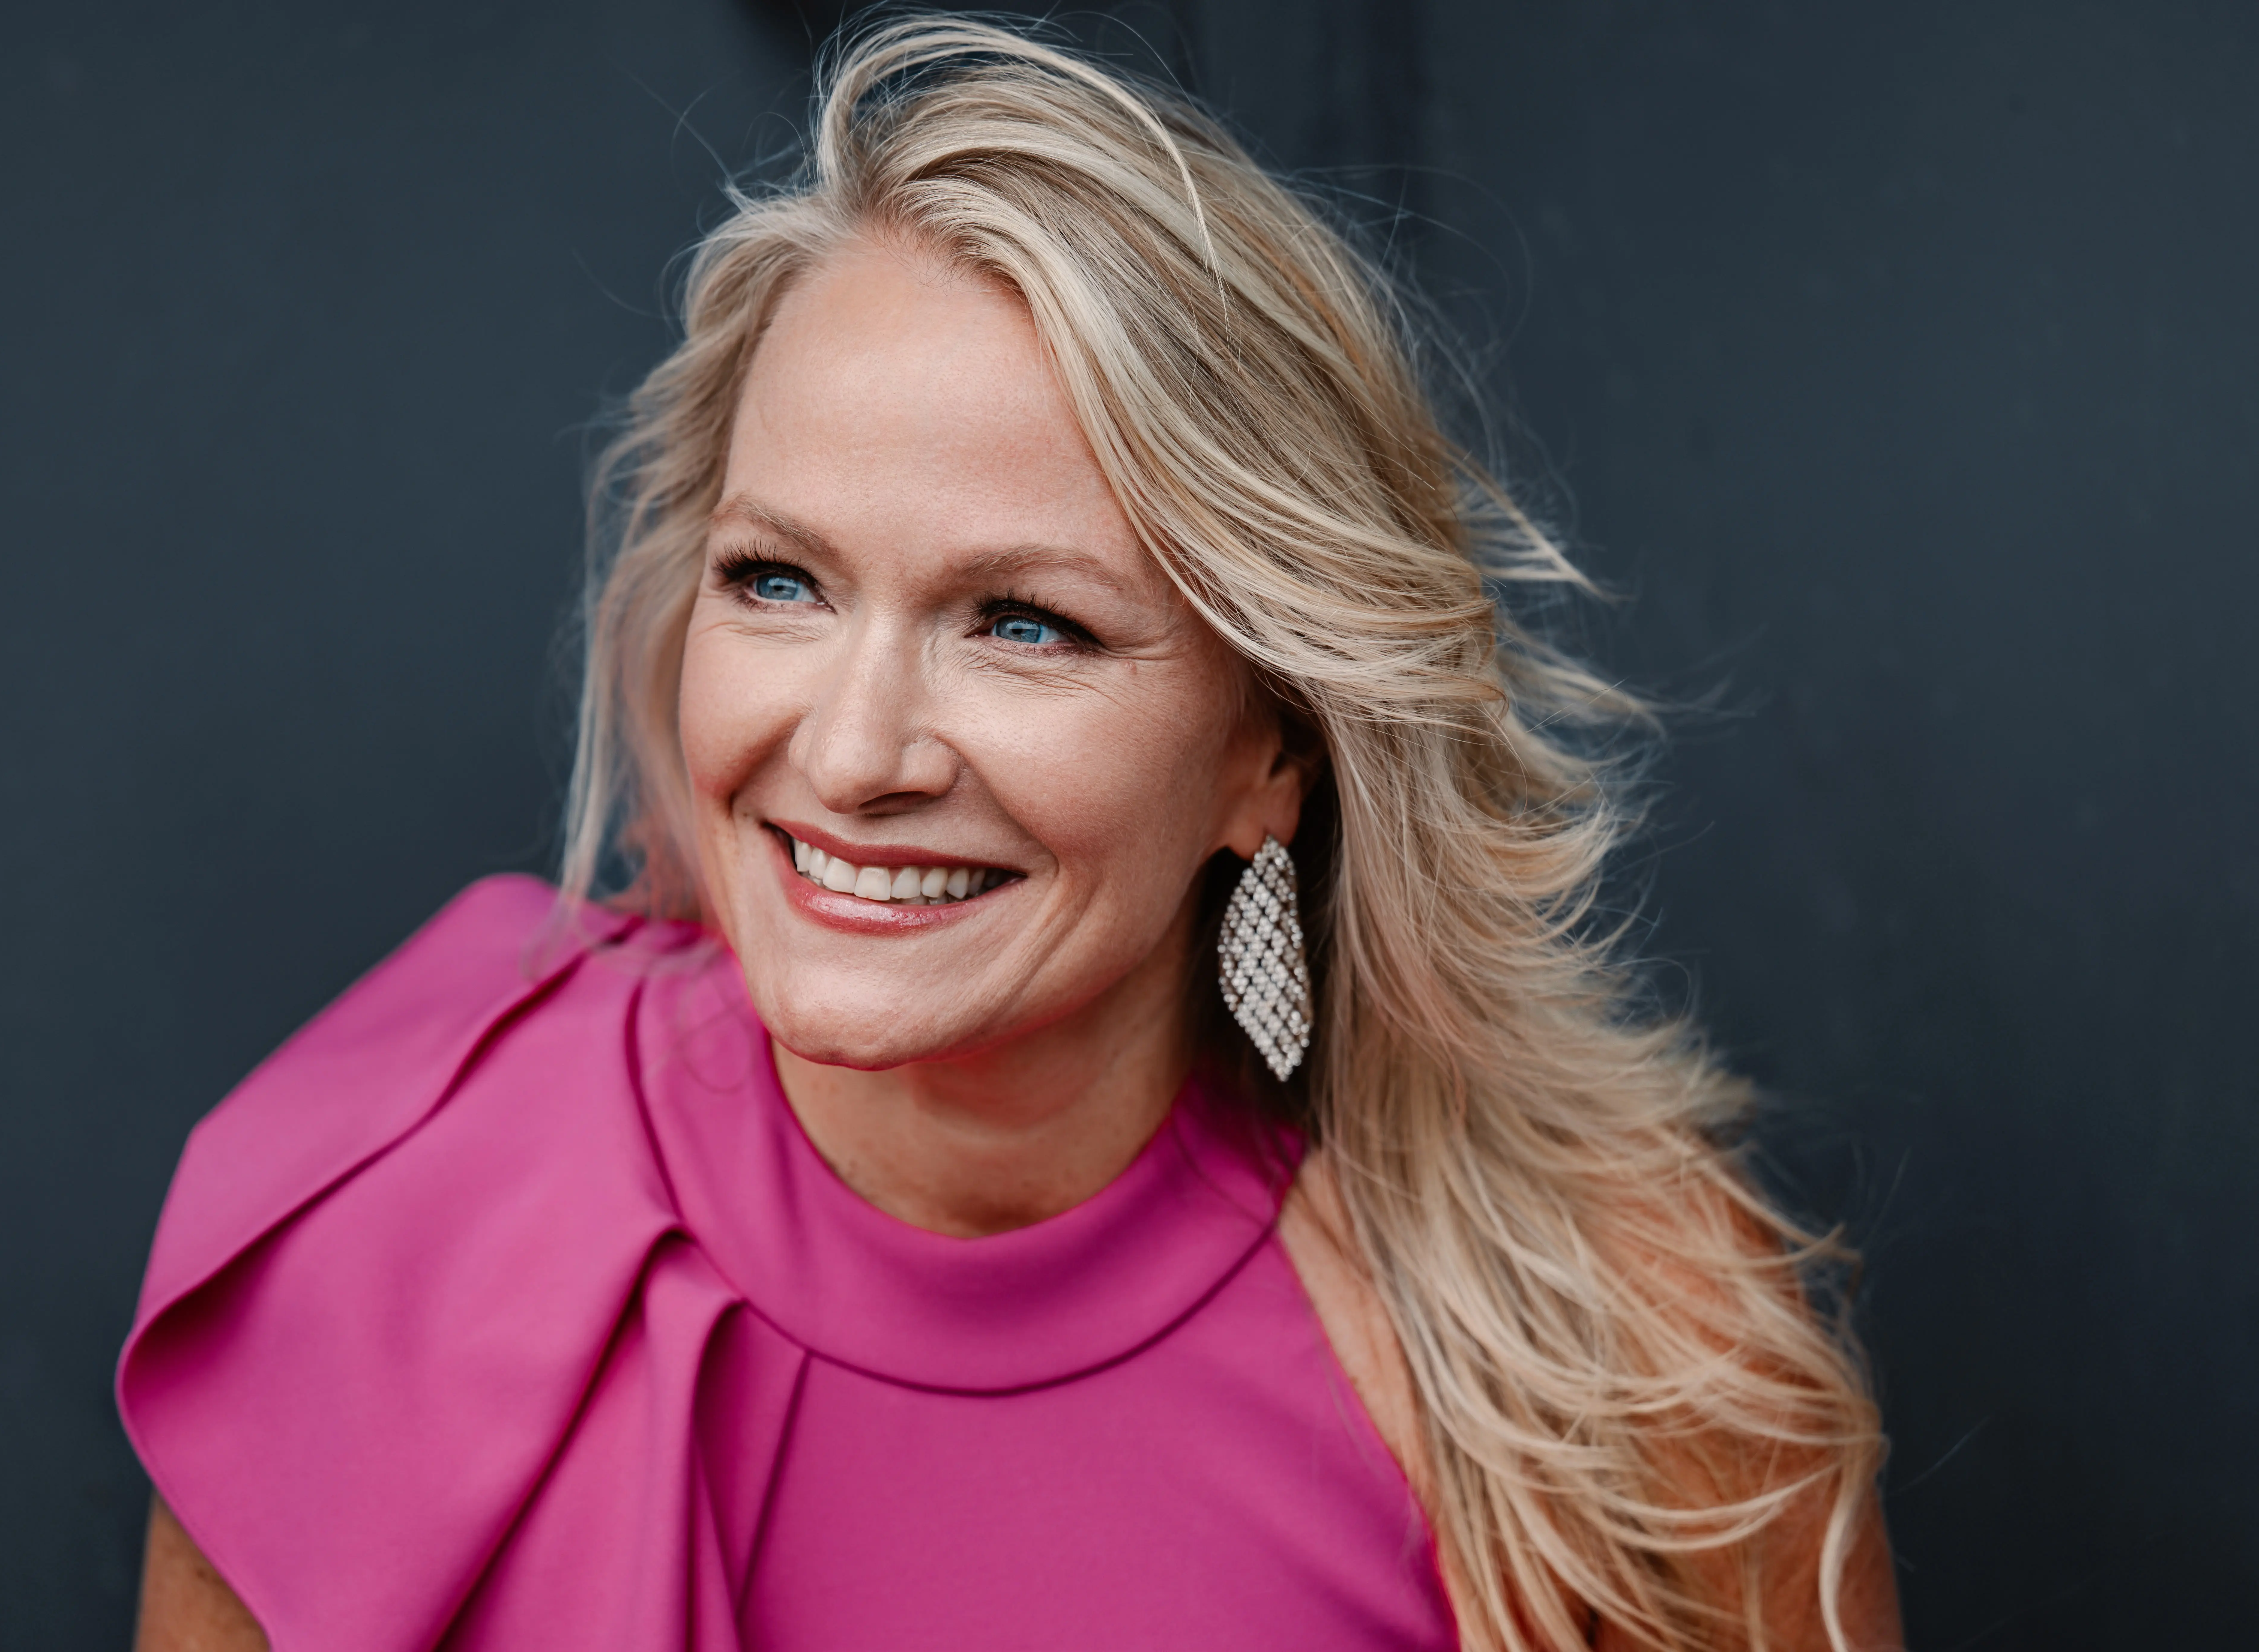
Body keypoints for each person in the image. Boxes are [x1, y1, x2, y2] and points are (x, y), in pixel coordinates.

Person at [123, 18, 1899, 1651]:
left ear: (1268, 754)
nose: (852, 749)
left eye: (1024, 624)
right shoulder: (379, 1231)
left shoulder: (1637, 1359)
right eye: (780, 581)